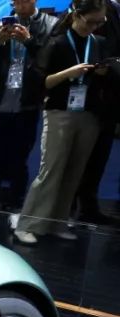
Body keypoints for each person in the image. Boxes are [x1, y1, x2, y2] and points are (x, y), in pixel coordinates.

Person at [15, 0, 111, 244]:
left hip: (89, 114)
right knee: (51, 170)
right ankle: (28, 224)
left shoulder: (98, 43)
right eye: (91, 21)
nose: (94, 26)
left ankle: (57, 223)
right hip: (59, 111)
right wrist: (69, 73)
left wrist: (102, 73)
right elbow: (41, 81)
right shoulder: (56, 42)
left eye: (100, 22)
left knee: (74, 171)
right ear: (77, 15)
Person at [0, 0, 56, 230]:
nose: (20, 3)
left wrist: (29, 41)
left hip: (27, 102)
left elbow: (50, 61)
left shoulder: (49, 25)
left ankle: (15, 208)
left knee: (20, 159)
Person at [73, 0, 120, 223]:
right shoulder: (96, 7)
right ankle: (73, 207)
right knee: (84, 155)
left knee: (100, 154)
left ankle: (87, 206)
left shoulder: (113, 10)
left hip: (110, 98)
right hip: (92, 93)